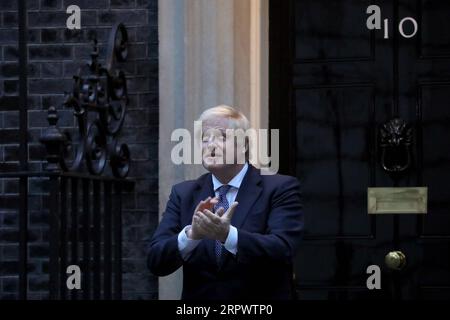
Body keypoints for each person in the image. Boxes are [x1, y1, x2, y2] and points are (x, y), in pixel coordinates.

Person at [146, 105, 303, 300]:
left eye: (221, 137)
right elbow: (155, 261)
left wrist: (228, 236)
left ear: (244, 145)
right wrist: (192, 235)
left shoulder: (279, 187)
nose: (211, 145)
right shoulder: (183, 193)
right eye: (205, 139)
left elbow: (283, 249)